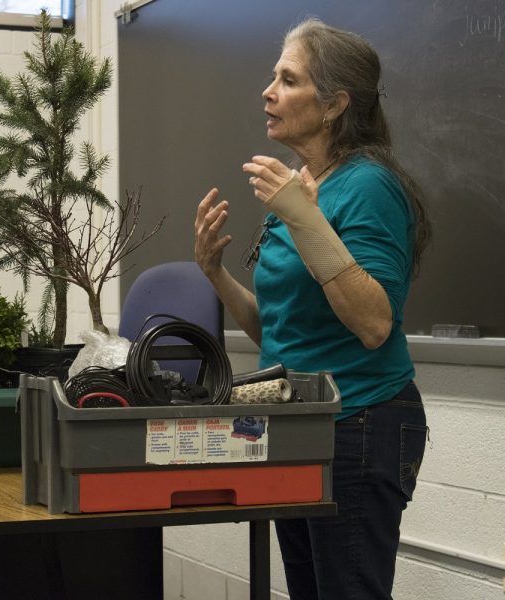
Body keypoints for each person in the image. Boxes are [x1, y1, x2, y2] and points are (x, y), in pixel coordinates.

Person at [193, 18, 432, 600]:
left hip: (360, 422)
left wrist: (301, 214)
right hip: (295, 424)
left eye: (288, 79)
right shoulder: (302, 186)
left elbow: (375, 323)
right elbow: (276, 328)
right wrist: (215, 274)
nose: (268, 91)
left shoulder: (368, 186)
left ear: (333, 105)